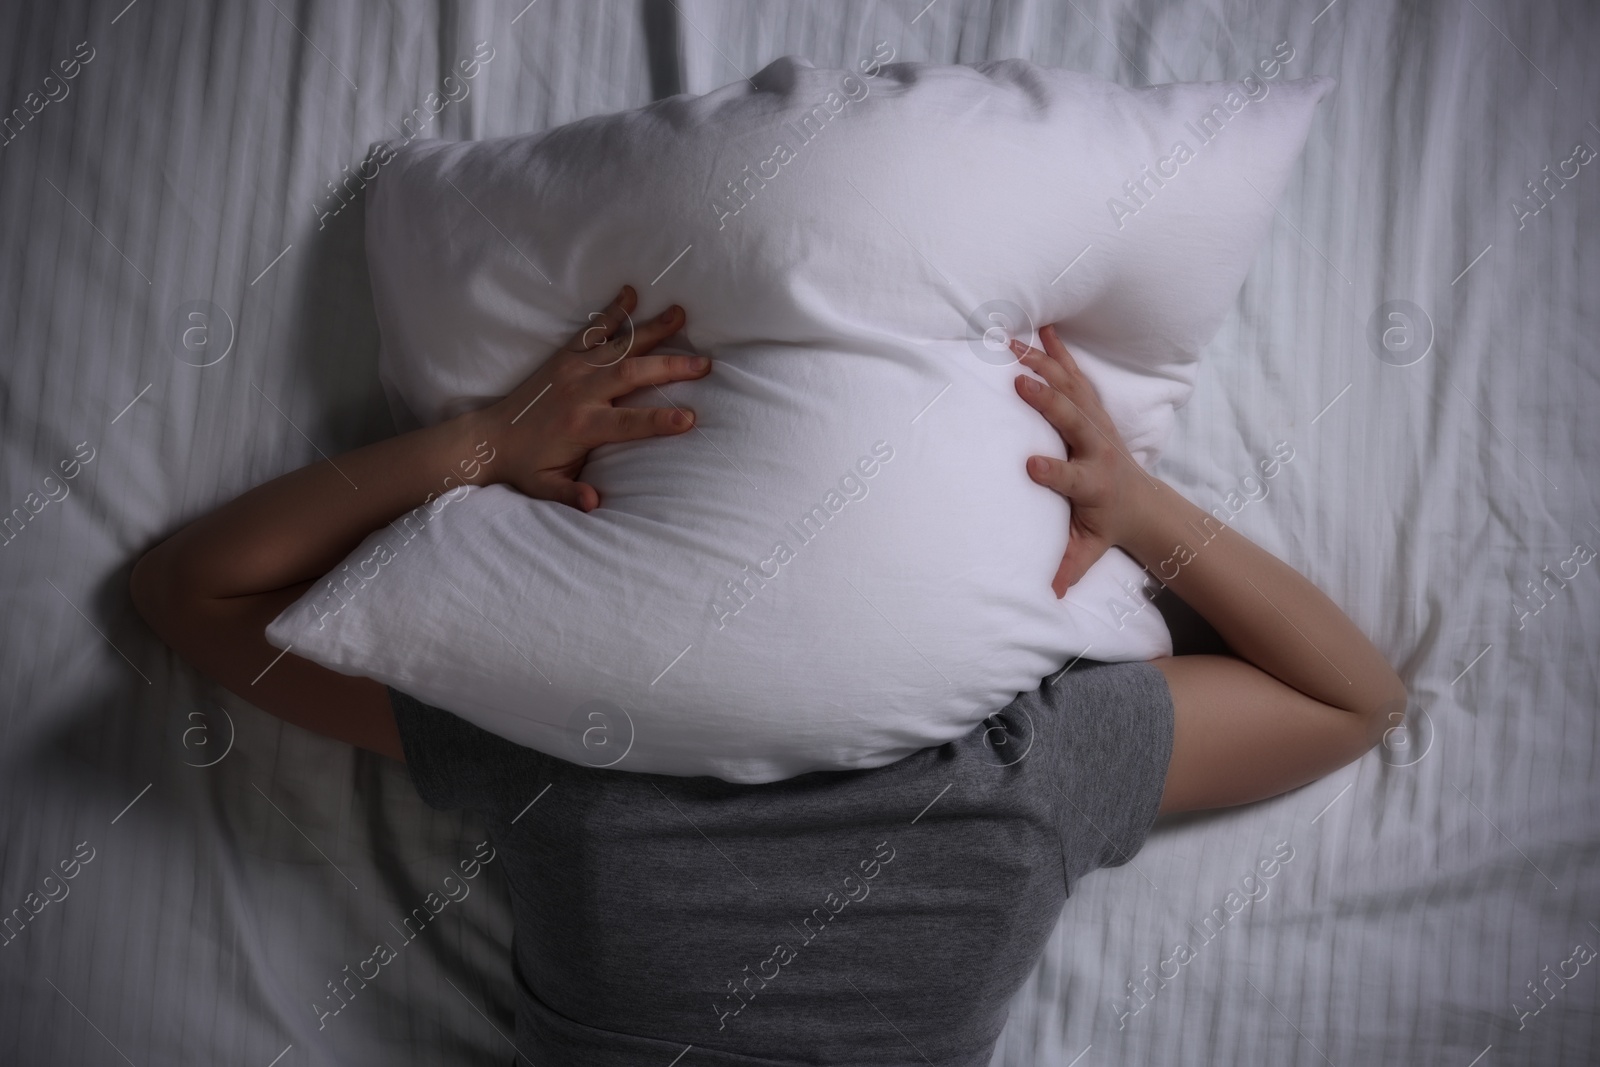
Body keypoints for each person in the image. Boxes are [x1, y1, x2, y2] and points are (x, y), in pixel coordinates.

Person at [130, 284, 1407, 1065]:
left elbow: (194, 592)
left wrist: (480, 445)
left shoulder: (563, 735)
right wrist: (1134, 506)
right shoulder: (1020, 770)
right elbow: (1349, 697)